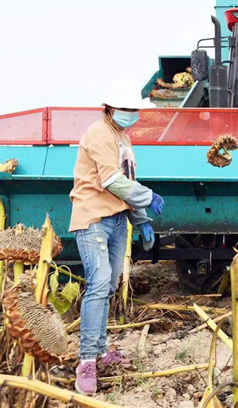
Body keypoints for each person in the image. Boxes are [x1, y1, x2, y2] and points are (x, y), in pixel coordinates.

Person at [69, 93, 165, 395]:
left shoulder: (122, 137)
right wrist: (149, 197)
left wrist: (140, 219)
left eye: (134, 109)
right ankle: (86, 362)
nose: (132, 114)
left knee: (108, 286)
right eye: (127, 109)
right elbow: (111, 180)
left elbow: (127, 180)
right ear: (109, 108)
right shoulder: (99, 134)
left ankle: (102, 351)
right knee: (98, 284)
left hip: (116, 219)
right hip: (93, 219)